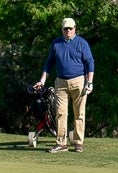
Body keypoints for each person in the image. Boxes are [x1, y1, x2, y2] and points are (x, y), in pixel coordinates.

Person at [34, 17, 95, 154]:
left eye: (70, 28)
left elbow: (90, 62)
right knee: (60, 113)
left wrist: (89, 82)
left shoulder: (82, 43)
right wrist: (42, 80)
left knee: (79, 113)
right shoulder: (56, 43)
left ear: (75, 29)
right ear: (62, 29)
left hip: (79, 81)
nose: (68, 31)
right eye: (65, 29)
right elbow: (49, 63)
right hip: (61, 82)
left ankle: (78, 143)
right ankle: (61, 143)